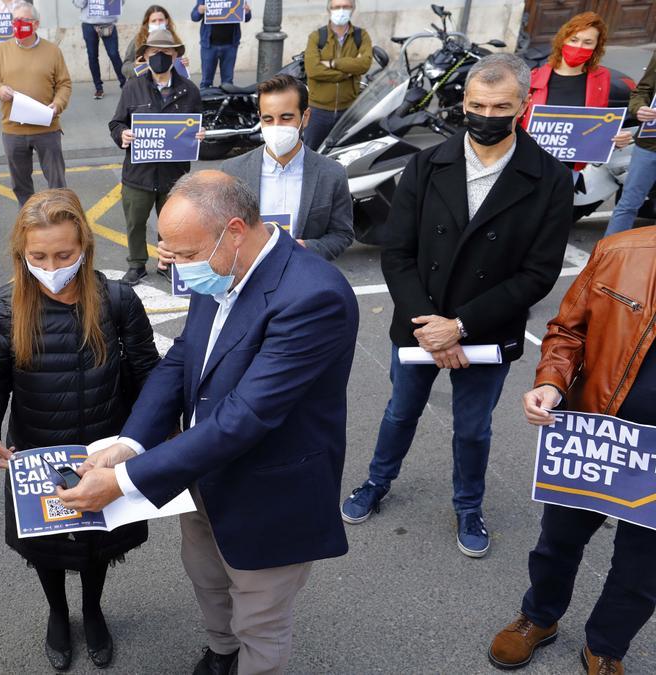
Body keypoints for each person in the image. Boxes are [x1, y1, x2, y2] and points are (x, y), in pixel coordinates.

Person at [58, 170, 359, 675]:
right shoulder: (222, 265)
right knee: (208, 580)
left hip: (268, 495)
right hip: (200, 474)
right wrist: (131, 444)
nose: (177, 267)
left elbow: (246, 416)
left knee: (260, 620)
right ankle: (221, 652)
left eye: (185, 254)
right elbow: (182, 358)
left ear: (234, 230)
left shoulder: (313, 297)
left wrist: (124, 481)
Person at [340, 54, 575, 558]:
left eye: (501, 107)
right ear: (464, 102)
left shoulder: (550, 178)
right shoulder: (427, 165)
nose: (487, 116)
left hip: (487, 330)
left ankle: (469, 506)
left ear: (524, 105)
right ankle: (377, 482)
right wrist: (433, 327)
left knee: (472, 429)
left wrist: (461, 326)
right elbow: (398, 253)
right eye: (478, 105)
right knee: (400, 413)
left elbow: (538, 273)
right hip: (420, 325)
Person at [0, 189, 158, 671]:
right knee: (47, 545)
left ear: (84, 248)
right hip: (36, 452)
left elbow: (149, 375)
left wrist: (147, 439)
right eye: (38, 256)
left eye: (63, 254)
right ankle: (57, 611)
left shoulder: (117, 300)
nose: (51, 267)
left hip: (104, 452)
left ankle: (92, 609)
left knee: (96, 542)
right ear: (21, 253)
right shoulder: (6, 306)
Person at [485, 227, 656, 672]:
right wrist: (551, 382)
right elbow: (568, 331)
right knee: (558, 540)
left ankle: (607, 647)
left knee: (643, 567)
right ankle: (539, 617)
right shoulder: (621, 251)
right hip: (594, 433)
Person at [219, 74, 355, 260]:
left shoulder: (331, 174)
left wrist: (307, 248)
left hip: (304, 273)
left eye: (286, 117)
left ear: (305, 117)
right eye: (268, 119)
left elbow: (342, 234)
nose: (276, 126)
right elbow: (217, 231)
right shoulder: (231, 171)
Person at [109, 28, 204, 285]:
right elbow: (116, 123)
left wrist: (200, 134)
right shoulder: (133, 87)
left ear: (175, 56)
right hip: (138, 173)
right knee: (135, 222)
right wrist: (122, 134)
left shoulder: (190, 90)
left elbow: (196, 125)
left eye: (165, 52)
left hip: (174, 175)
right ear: (145, 56)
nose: (160, 56)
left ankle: (168, 263)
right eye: (154, 52)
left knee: (172, 224)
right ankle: (136, 264)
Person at [0, 2, 72, 207]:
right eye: (14, 21)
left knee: (57, 182)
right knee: (20, 184)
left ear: (36, 24)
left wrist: (58, 103)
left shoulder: (52, 51)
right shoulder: (1, 50)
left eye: (23, 20)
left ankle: (60, 214)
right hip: (13, 129)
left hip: (47, 127)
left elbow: (64, 84)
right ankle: (28, 218)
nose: (17, 25)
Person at [520, 12, 632, 173]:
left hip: (569, 170)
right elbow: (513, 122)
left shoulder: (601, 79)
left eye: (588, 42)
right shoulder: (534, 78)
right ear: (563, 40)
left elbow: (595, 125)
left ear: (596, 47)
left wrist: (614, 138)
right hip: (531, 164)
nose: (579, 47)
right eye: (574, 40)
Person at [303, 0, 372, 150]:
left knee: (347, 153)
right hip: (318, 111)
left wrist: (332, 63)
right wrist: (347, 73)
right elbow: (313, 70)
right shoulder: (317, 37)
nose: (341, 10)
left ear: (353, 8)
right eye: (336, 7)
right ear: (329, 9)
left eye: (346, 6)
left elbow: (364, 64)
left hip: (348, 110)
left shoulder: (361, 36)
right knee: (311, 153)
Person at [604, 50, 656, 235]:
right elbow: (642, 91)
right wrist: (639, 108)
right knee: (628, 204)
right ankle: (609, 252)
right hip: (649, 145)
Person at [190, 1, 252, 90]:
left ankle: (227, 98)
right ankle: (206, 98)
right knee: (206, 81)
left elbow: (246, 18)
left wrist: (247, 12)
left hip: (230, 45)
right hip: (209, 45)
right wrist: (199, 11)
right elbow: (194, 17)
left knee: (228, 81)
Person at [73, 0, 126, 99]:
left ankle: (125, 85)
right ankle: (98, 88)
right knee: (92, 56)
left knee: (114, 54)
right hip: (89, 24)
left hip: (108, 23)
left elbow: (121, 3)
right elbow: (79, 4)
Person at [123, 5, 191, 78]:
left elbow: (177, 62)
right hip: (143, 81)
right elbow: (125, 68)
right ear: (147, 23)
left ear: (167, 21)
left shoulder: (173, 39)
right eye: (153, 21)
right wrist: (135, 66)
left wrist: (184, 63)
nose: (158, 23)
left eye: (161, 20)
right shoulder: (138, 40)